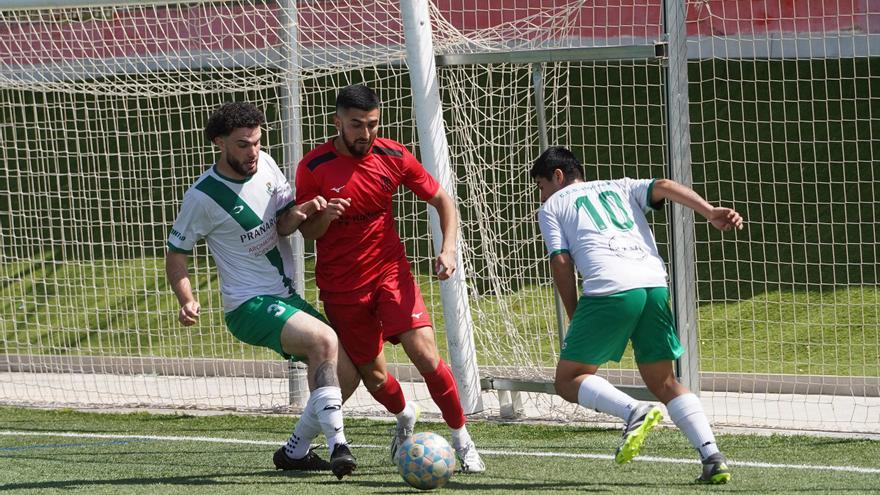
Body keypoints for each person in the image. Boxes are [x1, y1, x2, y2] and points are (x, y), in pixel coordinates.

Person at [295, 84, 485, 473]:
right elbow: (307, 233)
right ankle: (404, 418)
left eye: (371, 124)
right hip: (343, 289)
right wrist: (325, 215)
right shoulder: (312, 167)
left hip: (391, 274)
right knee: (377, 378)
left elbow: (443, 200)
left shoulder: (393, 155)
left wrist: (448, 249)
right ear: (337, 122)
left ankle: (462, 439)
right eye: (356, 125)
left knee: (427, 356)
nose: (365, 133)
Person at [165, 102, 358, 480]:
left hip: (284, 297)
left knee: (348, 372)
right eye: (242, 145)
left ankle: (296, 450)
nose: (252, 152)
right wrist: (186, 299)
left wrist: (301, 212)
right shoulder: (202, 197)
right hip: (247, 306)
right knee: (323, 341)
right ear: (219, 143)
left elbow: (282, 226)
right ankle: (339, 447)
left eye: (256, 141)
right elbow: (176, 255)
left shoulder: (267, 165)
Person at [531, 146, 742, 484]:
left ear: (558, 176)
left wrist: (575, 313)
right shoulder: (620, 185)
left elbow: (561, 261)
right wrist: (708, 210)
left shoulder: (552, 206)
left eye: (540, 185)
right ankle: (712, 456)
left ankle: (634, 412)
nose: (540, 195)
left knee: (568, 379)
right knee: (664, 381)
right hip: (654, 286)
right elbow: (664, 185)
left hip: (610, 289)